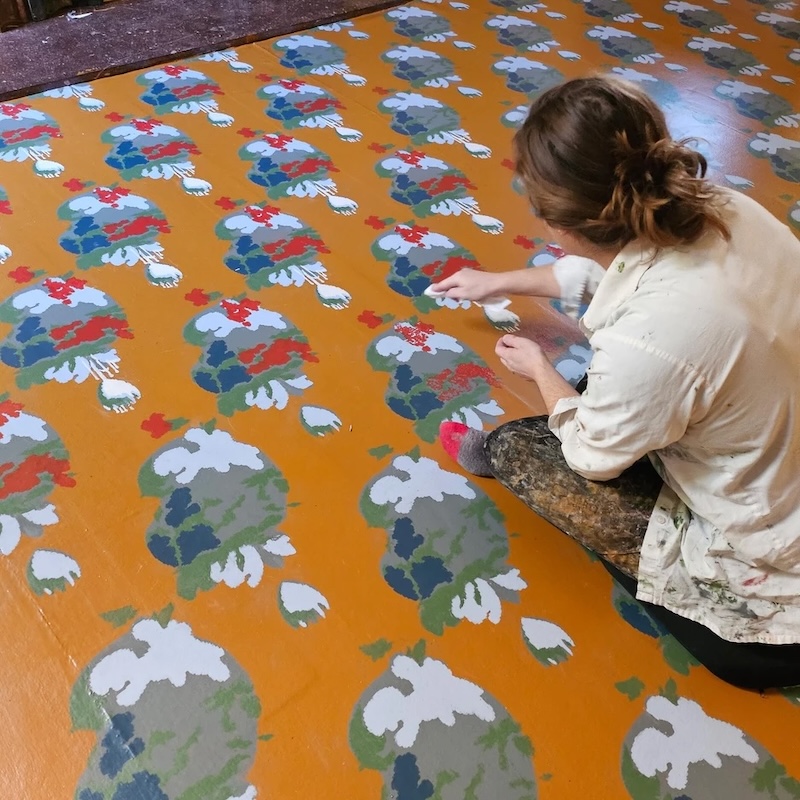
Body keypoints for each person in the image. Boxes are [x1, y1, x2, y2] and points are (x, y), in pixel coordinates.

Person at [431, 75, 800, 690]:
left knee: (528, 446)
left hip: (774, 548)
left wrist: (541, 372)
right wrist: (500, 281)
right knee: (613, 386)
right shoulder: (727, 206)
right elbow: (618, 265)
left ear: (560, 221)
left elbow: (594, 456)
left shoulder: (650, 338)